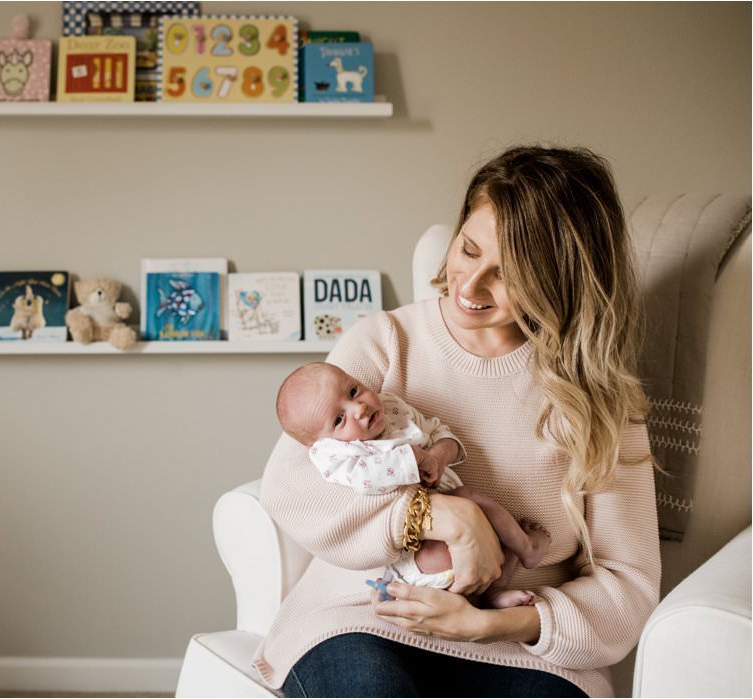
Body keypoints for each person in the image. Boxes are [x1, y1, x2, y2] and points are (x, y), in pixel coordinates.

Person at [253, 145, 660, 698]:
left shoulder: (603, 399)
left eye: (509, 276)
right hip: (365, 619)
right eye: (468, 250)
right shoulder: (384, 343)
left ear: (560, 281)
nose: (469, 287)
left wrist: (493, 624)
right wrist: (437, 514)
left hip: (523, 650)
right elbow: (291, 487)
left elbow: (628, 585)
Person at [275, 361, 551, 609]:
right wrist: (412, 459)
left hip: (467, 534)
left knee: (490, 526)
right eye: (338, 419)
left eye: (353, 391)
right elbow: (368, 479)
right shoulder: (334, 455)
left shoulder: (393, 408)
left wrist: (438, 457)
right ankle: (525, 549)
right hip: (419, 554)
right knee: (472, 501)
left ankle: (496, 592)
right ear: (321, 442)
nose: (358, 408)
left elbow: (441, 432)